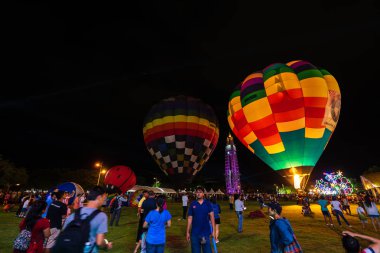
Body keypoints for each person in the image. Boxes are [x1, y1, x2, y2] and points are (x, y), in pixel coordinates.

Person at [61, 186, 112, 252]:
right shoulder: (101, 216)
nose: (104, 201)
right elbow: (99, 242)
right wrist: (107, 245)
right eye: (104, 198)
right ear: (99, 197)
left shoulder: (75, 214)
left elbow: (64, 232)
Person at [186, 186, 216, 253]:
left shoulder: (208, 203)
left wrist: (214, 230)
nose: (198, 193)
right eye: (197, 192)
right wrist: (187, 232)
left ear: (203, 194)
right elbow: (190, 218)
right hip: (195, 234)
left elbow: (212, 217)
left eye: (200, 192)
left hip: (205, 234)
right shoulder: (192, 204)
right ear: (195, 194)